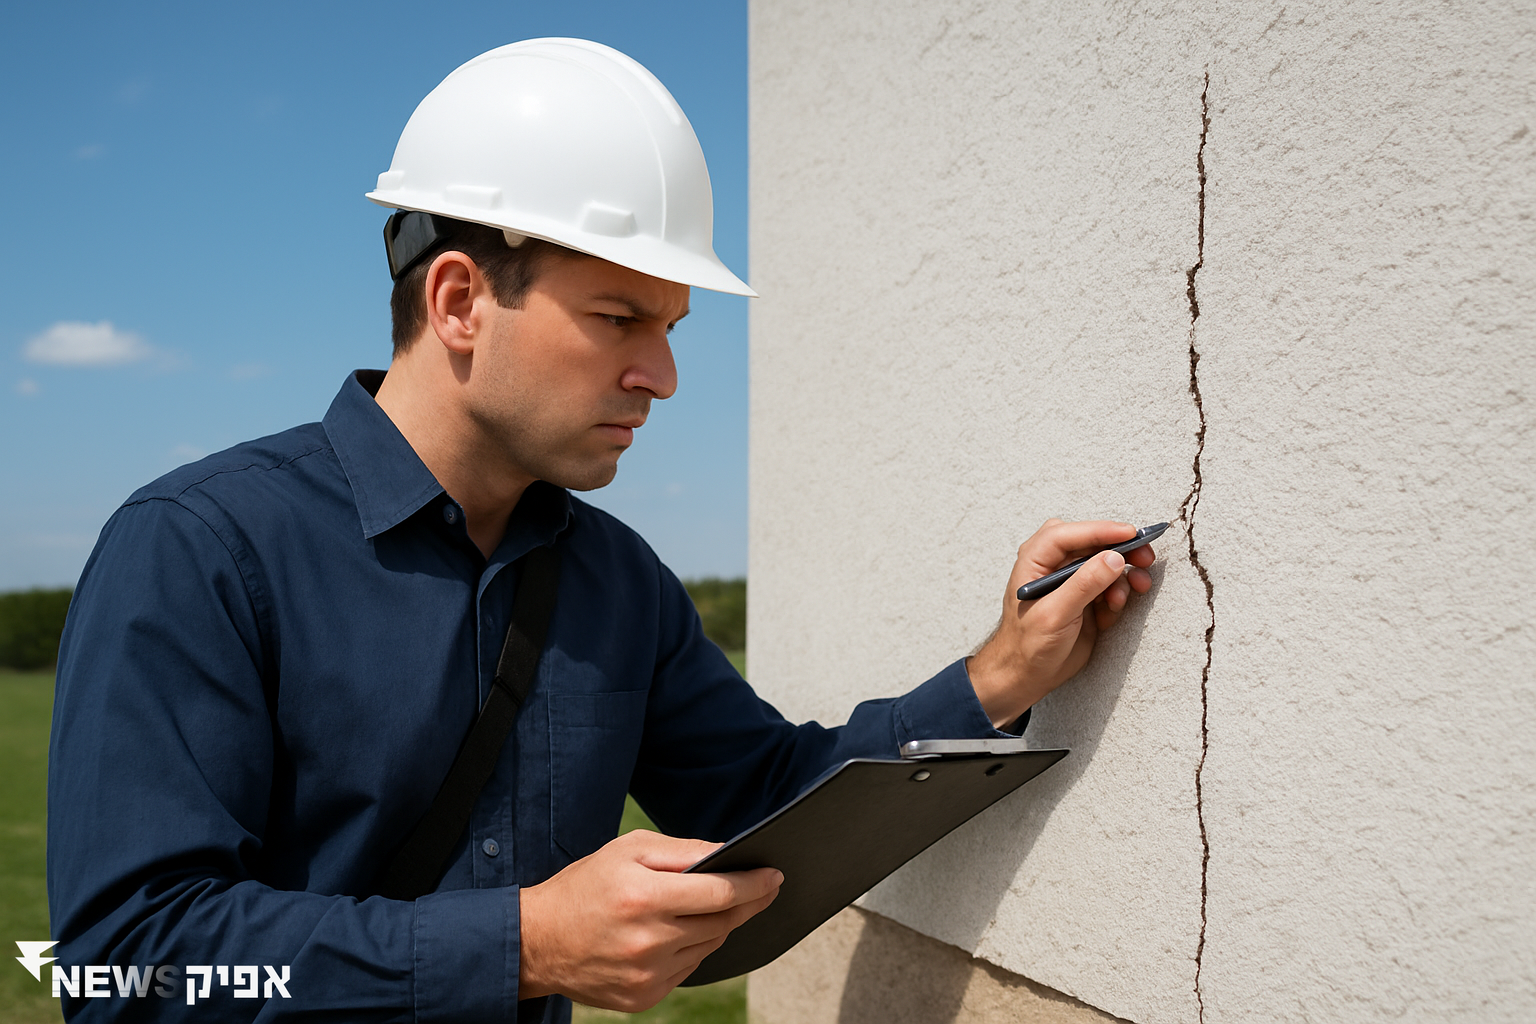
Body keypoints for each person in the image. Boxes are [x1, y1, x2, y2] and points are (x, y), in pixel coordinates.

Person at [46, 39, 1156, 1023]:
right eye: (619, 318)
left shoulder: (615, 580)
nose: (662, 377)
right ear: (459, 302)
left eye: (670, 327)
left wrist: (999, 674)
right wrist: (526, 943)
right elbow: (122, 966)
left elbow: (763, 800)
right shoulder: (198, 550)